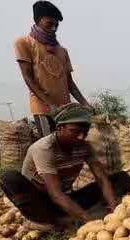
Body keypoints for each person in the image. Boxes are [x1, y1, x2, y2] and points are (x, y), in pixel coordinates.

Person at [0, 103, 130, 226]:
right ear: (59, 128)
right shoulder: (44, 148)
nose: (81, 137)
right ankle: (52, 221)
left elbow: (102, 180)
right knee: (10, 177)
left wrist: (114, 209)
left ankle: (69, 217)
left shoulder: (85, 146)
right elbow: (55, 195)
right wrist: (89, 220)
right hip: (43, 203)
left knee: (120, 177)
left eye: (85, 132)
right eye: (75, 131)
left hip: (65, 198)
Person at [14, 1, 90, 139]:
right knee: (50, 149)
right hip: (44, 109)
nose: (54, 28)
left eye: (56, 25)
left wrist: (84, 103)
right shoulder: (24, 43)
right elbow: (28, 78)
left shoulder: (62, 50)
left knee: (67, 148)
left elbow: (69, 83)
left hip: (65, 111)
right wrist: (50, 104)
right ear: (37, 20)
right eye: (49, 24)